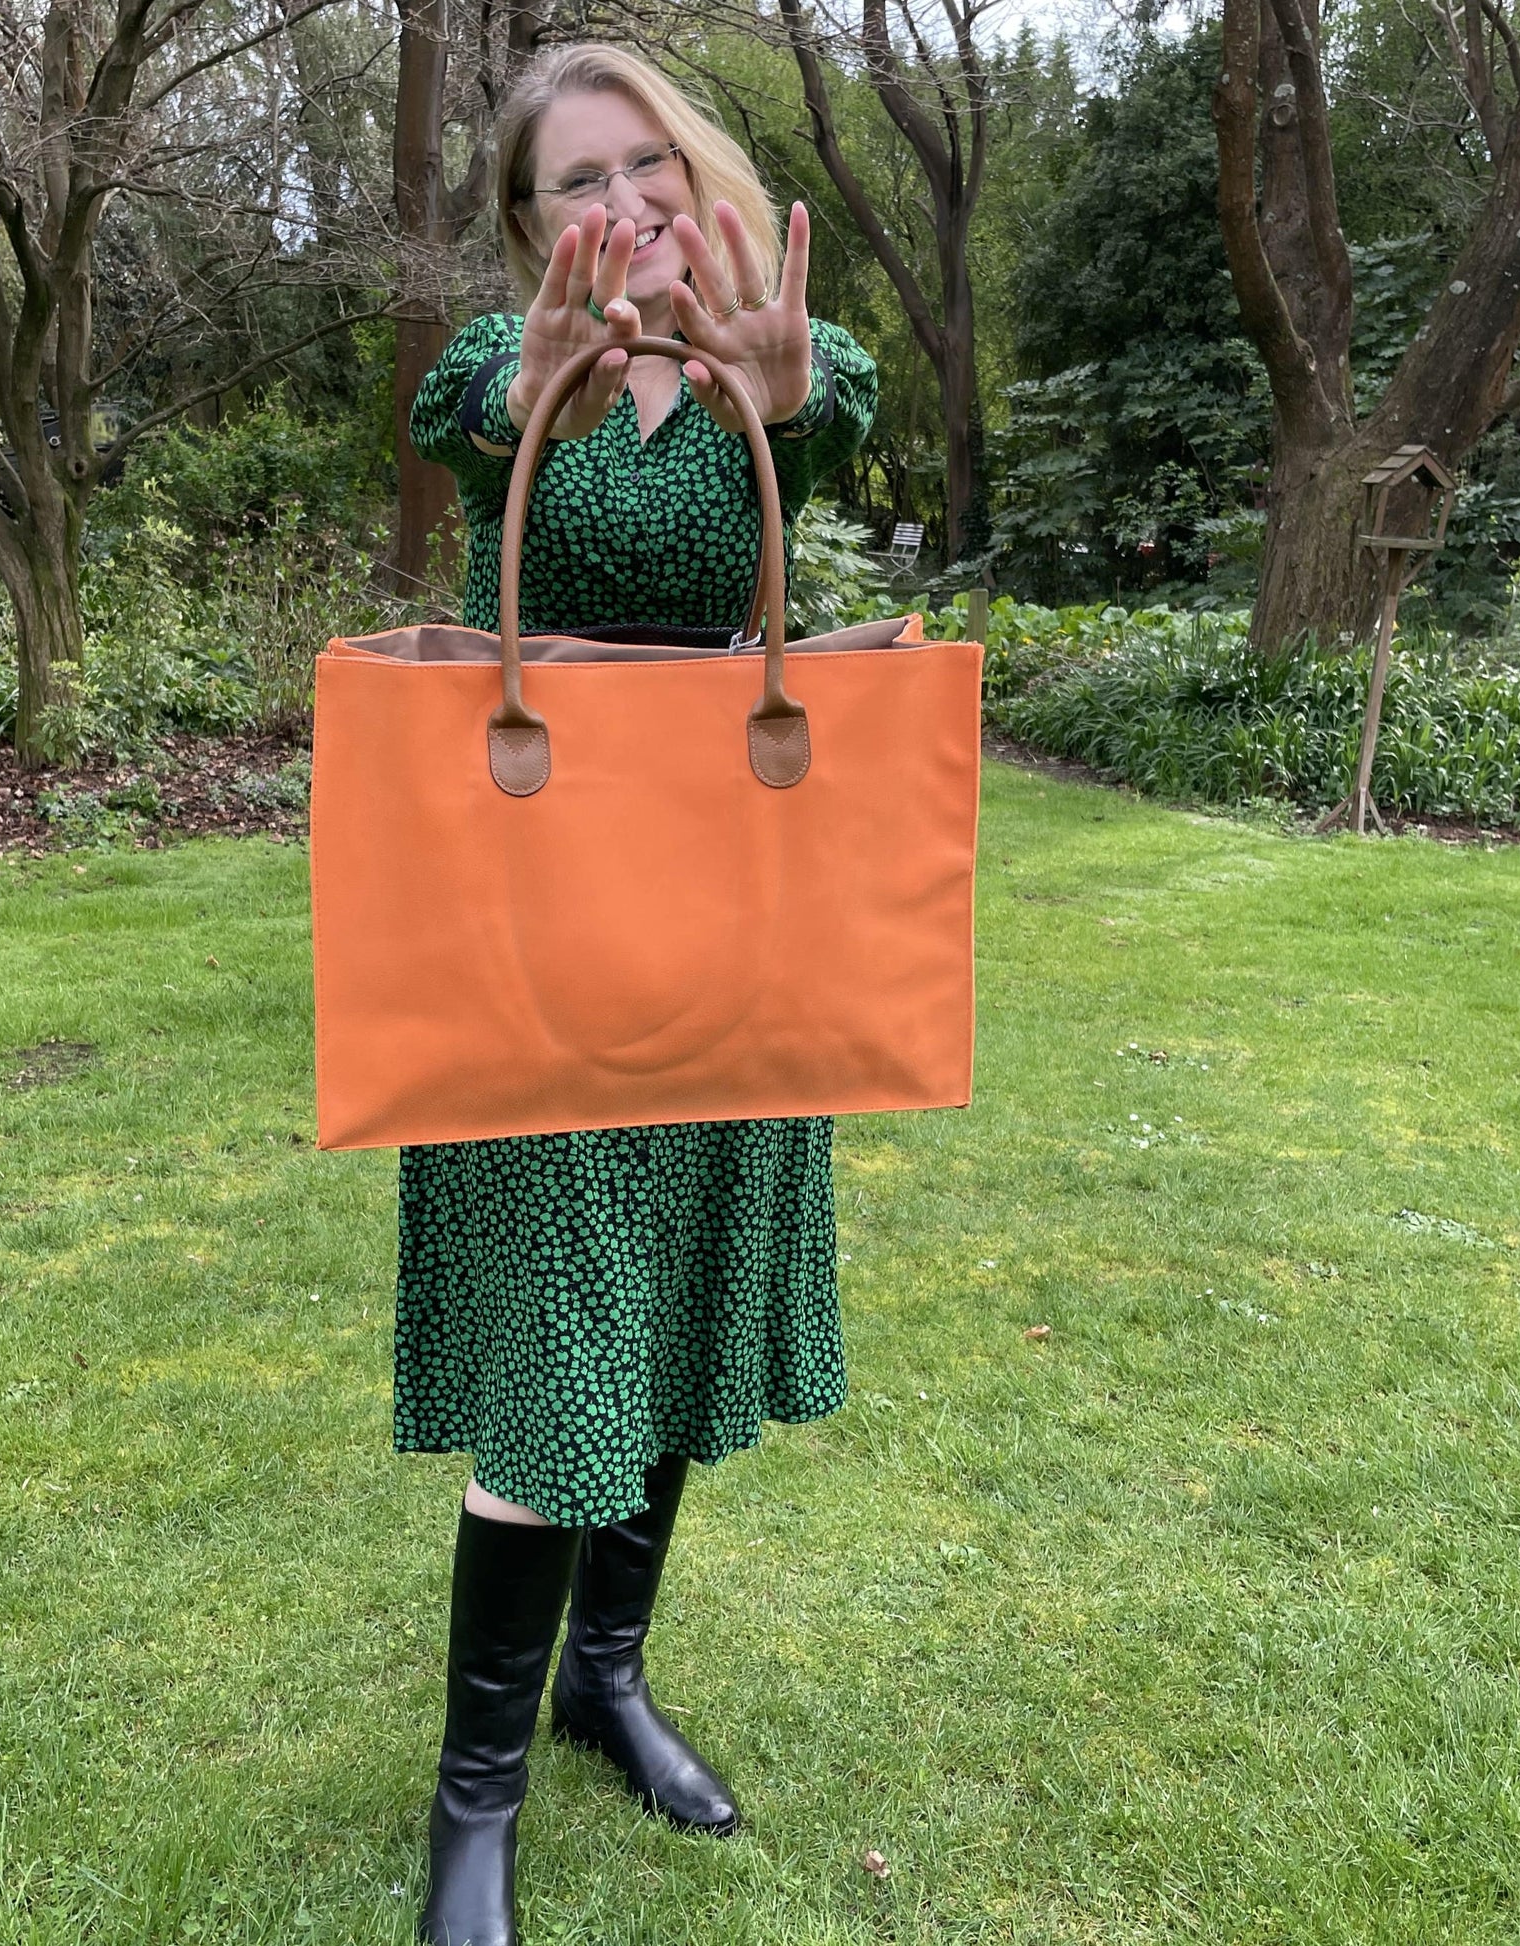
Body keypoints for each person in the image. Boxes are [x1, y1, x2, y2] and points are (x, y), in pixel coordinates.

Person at [400, 41, 876, 1946]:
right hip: (535, 935)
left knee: (664, 1330)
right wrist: (533, 393)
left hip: (728, 925)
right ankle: (471, 1809)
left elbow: (815, 428)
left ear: (695, 164)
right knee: (551, 1373)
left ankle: (608, 1677)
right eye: (573, 181)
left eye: (644, 161)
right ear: (530, 225)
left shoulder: (789, 357)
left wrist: (775, 389)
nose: (626, 201)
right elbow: (462, 436)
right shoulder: (490, 375)